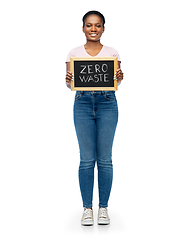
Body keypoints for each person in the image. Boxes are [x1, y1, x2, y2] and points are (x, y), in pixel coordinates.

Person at [65, 10, 123, 226]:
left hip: (108, 103)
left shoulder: (112, 52)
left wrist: (120, 77)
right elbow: (70, 84)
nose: (93, 29)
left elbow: (115, 80)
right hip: (82, 104)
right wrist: (69, 79)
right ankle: (87, 208)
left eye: (97, 25)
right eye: (89, 25)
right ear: (83, 28)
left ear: (103, 28)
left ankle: (103, 208)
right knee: (87, 159)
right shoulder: (73, 53)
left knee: (105, 159)